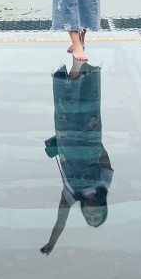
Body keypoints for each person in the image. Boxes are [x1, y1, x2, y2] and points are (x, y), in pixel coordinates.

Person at [40, 57, 112, 255]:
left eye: (91, 217)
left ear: (85, 212)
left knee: (66, 100)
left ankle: (77, 57)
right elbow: (103, 154)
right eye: (98, 216)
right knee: (88, 95)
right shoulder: (104, 183)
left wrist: (51, 243)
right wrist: (92, 136)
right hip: (89, 133)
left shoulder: (70, 195)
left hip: (67, 135)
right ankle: (79, 55)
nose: (93, 213)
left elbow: (60, 220)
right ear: (102, 209)